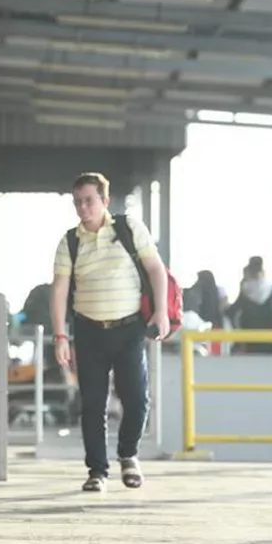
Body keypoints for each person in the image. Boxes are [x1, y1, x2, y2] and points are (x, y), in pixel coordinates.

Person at [50, 172, 169, 494]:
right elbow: (59, 290)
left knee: (137, 401)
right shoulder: (70, 241)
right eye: (78, 202)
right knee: (93, 404)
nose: (83, 208)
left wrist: (161, 312)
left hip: (129, 328)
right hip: (88, 331)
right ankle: (97, 471)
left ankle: (128, 455)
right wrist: (60, 336)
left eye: (89, 200)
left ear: (104, 200)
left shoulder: (129, 229)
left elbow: (156, 269)